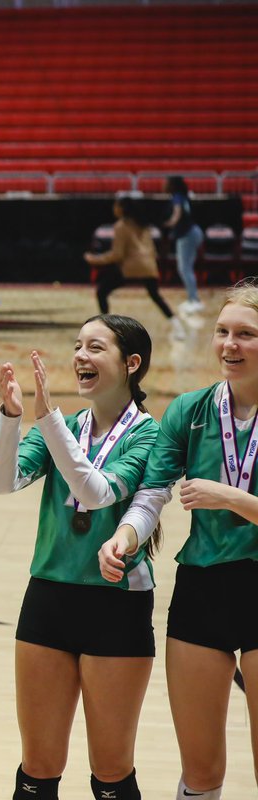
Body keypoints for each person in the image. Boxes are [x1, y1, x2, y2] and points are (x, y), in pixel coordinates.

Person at [0, 315, 161, 800]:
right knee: (38, 765)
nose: (80, 356)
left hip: (116, 606)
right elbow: (3, 482)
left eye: (95, 347)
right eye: (77, 345)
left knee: (110, 770)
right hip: (48, 596)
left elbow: (98, 490)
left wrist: (46, 421)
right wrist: (11, 417)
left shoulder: (147, 436)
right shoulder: (66, 427)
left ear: (131, 363)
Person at [100, 279, 258, 799]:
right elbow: (151, 493)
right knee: (201, 772)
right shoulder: (190, 410)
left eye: (247, 335)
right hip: (202, 591)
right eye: (222, 332)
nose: (230, 346)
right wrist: (123, 537)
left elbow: (221, 496)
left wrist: (232, 497)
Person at [84, 196, 186, 340]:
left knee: (102, 292)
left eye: (116, 205)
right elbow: (153, 250)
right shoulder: (143, 224)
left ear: (121, 209)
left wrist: (95, 259)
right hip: (149, 266)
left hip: (130, 268)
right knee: (156, 296)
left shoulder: (121, 225)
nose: (114, 208)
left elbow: (117, 255)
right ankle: (178, 326)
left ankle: (104, 328)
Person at [164, 175, 205, 315]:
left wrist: (168, 223)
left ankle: (194, 300)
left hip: (187, 235)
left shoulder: (177, 197)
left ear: (172, 185)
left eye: (167, 183)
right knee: (187, 268)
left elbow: (177, 215)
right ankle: (193, 299)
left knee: (184, 268)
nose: (164, 185)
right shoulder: (183, 196)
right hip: (194, 232)